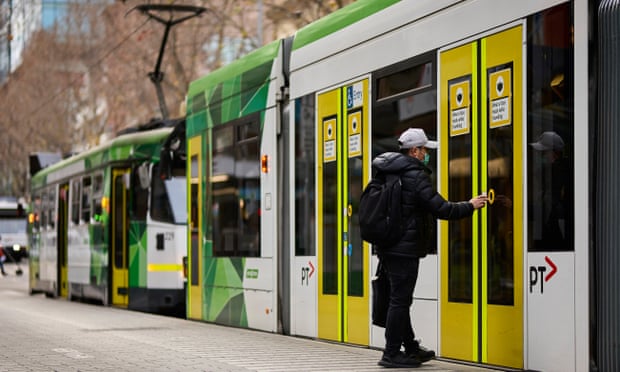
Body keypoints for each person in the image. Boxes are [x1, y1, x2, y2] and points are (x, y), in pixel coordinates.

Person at [372, 128, 487, 368]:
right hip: (404, 249)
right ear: (414, 151)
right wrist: (471, 205)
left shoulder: (387, 172)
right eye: (424, 150)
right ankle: (391, 353)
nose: (426, 154)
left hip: (388, 247)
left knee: (398, 299)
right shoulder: (414, 176)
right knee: (400, 301)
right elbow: (442, 209)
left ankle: (411, 347)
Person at [529, 131, 572, 251]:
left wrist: (516, 206)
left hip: (553, 247)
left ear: (554, 154)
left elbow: (545, 209)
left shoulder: (556, 177)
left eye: (543, 153)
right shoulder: (550, 176)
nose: (540, 156)